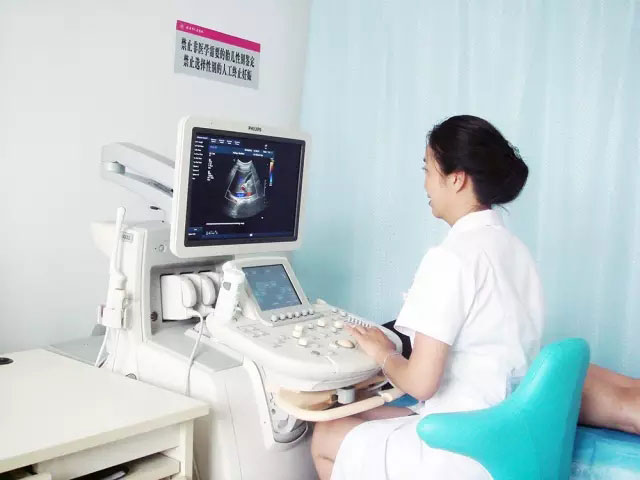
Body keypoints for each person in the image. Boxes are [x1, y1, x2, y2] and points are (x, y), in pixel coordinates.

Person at [311, 114, 541, 479]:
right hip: (503, 433)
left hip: (462, 448)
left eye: (427, 170)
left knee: (326, 436)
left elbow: (421, 383)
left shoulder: (452, 257)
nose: (425, 183)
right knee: (353, 416)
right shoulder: (517, 251)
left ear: (456, 179)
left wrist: (382, 353)